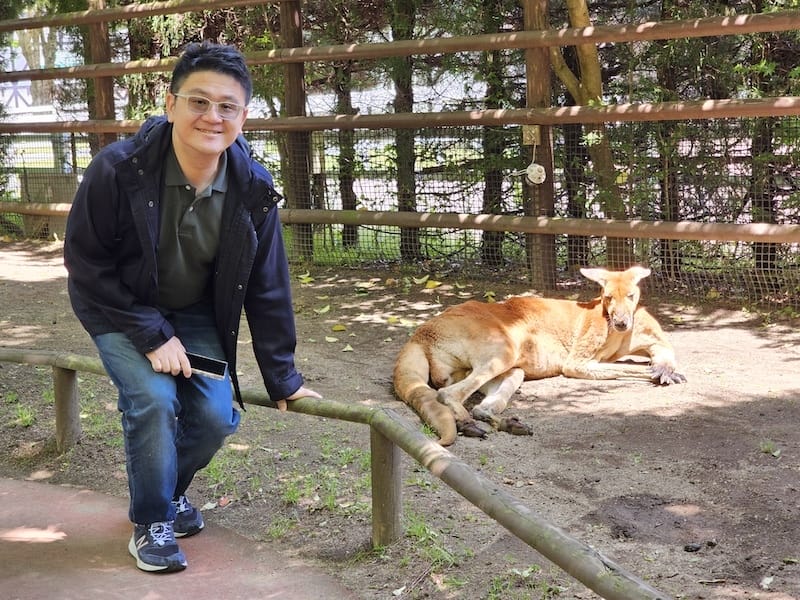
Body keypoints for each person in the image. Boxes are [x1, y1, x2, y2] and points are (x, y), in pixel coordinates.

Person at [63, 41, 321, 573]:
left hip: (194, 312)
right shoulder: (117, 170)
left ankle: (169, 490)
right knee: (153, 400)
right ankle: (153, 520)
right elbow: (87, 264)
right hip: (118, 307)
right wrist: (152, 335)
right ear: (170, 103)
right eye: (198, 102)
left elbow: (267, 284)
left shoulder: (253, 187)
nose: (212, 116)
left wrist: (283, 377)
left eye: (227, 106)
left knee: (215, 414)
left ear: (243, 116)